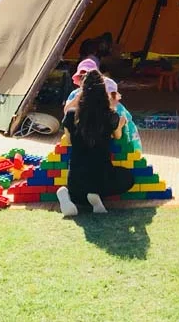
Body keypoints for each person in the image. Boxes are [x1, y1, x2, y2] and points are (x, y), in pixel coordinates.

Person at [56, 71, 135, 216]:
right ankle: (95, 198)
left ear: (82, 91)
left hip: (76, 180)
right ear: (103, 92)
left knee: (80, 188)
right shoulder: (110, 115)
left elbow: (68, 141)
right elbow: (118, 136)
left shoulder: (72, 114)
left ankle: (68, 196)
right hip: (102, 177)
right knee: (127, 178)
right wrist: (120, 124)